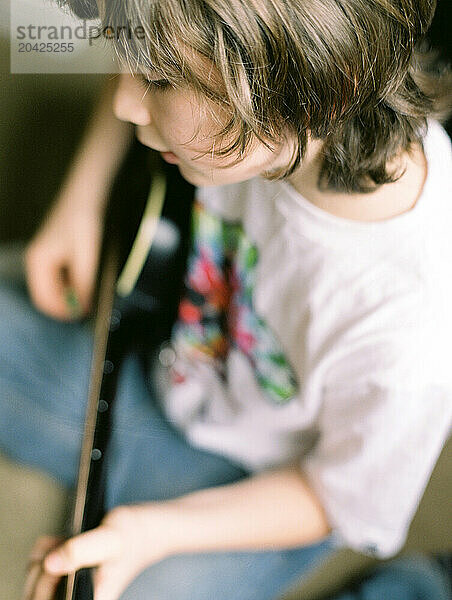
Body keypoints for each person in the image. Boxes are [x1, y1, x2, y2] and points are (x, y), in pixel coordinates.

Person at [1, 0, 451, 599]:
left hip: (261, 484)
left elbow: (343, 497)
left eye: (160, 79)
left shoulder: (411, 327)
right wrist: (81, 199)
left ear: (313, 98)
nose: (123, 102)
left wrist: (152, 532)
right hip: (162, 371)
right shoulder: (278, 106)